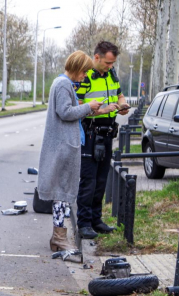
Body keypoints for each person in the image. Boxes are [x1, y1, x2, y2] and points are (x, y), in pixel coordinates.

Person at [38, 51, 102, 251]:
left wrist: (95, 109)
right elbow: (65, 113)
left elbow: (70, 112)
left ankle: (59, 237)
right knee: (63, 193)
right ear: (77, 68)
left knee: (63, 193)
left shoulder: (62, 83)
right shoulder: (64, 84)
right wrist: (88, 107)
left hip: (64, 145)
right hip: (64, 147)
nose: (85, 77)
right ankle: (59, 238)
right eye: (84, 72)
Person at [75, 41, 130, 239]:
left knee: (101, 180)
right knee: (88, 181)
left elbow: (120, 95)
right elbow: (78, 105)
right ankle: (83, 223)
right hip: (91, 134)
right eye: (107, 63)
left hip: (107, 134)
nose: (110, 66)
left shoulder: (112, 75)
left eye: (112, 63)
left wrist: (123, 105)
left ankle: (96, 221)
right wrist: (100, 109)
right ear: (96, 57)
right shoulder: (85, 76)